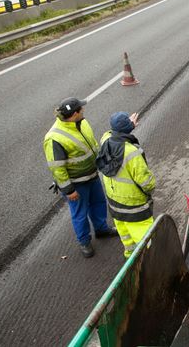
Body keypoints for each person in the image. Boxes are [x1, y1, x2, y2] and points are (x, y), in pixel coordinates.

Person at [43, 97, 118, 258]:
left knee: (98, 202)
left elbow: (91, 145)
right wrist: (69, 190)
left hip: (92, 175)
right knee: (80, 213)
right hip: (77, 184)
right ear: (75, 113)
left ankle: (101, 229)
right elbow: (57, 168)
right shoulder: (54, 138)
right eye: (81, 109)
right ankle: (84, 241)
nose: (84, 110)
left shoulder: (81, 122)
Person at [96, 111, 156, 258]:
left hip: (115, 201)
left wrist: (125, 126)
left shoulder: (105, 140)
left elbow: (110, 132)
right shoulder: (131, 152)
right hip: (134, 205)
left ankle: (129, 253)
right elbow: (146, 183)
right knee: (146, 238)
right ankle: (149, 260)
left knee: (125, 232)